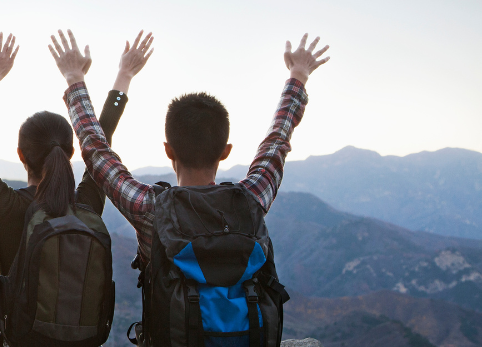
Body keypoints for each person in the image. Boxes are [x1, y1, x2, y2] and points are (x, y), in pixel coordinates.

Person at [54, 29, 329, 346]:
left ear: (168, 149)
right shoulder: (252, 198)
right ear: (225, 151)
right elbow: (277, 140)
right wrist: (298, 74)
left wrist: (76, 77)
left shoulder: (151, 208)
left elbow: (95, 149)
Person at [0, 30, 151, 346]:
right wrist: (123, 75)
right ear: (71, 153)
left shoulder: (6, 205)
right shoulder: (86, 204)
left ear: (21, 155)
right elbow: (103, 137)